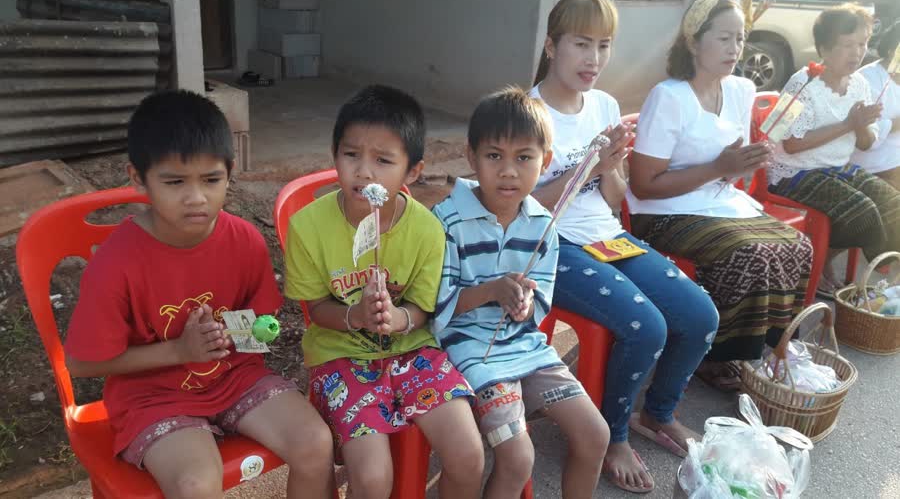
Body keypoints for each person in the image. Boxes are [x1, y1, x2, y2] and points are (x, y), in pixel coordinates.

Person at [63, 90, 334, 499]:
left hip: (236, 378)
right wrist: (179, 351)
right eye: (175, 182)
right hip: (153, 397)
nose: (196, 198)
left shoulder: (244, 240)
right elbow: (81, 363)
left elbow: (253, 328)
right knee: (195, 485)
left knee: (315, 442)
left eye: (211, 180)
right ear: (138, 177)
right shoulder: (117, 262)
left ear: (230, 172)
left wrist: (247, 333)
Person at [529, 0, 719, 493]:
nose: (593, 59)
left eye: (604, 46)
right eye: (581, 44)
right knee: (647, 326)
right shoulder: (528, 111)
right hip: (553, 245)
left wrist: (610, 167)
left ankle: (656, 414)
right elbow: (523, 208)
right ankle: (613, 436)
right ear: (552, 46)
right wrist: (584, 167)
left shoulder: (606, 106)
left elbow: (614, 200)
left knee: (701, 315)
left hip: (608, 237)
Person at [283, 85, 484, 499]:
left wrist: (400, 319)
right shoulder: (307, 227)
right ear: (334, 155)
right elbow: (317, 307)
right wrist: (354, 316)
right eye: (351, 154)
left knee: (468, 454)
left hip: (414, 349)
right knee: (373, 479)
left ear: (412, 171)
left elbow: (425, 308)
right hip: (340, 355)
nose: (365, 172)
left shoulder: (428, 229)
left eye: (383, 160)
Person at [627, 0, 813, 392]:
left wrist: (745, 163)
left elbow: (732, 171)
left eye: (741, 39)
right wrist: (719, 168)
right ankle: (713, 354)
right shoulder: (670, 96)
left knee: (798, 245)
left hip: (718, 201)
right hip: (663, 210)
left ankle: (765, 347)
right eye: (724, 38)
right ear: (694, 42)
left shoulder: (742, 89)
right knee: (747, 252)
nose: (735, 48)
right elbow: (643, 185)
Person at [432, 87, 609, 499]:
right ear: (472, 157)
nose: (509, 171)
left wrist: (523, 303)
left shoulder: (544, 225)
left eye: (524, 158)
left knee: (595, 434)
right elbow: (434, 308)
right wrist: (492, 290)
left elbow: (538, 306)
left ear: (545, 161)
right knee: (518, 457)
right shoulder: (447, 221)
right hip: (469, 352)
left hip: (527, 347)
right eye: (494, 156)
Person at [768, 4, 900, 296]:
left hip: (837, 168)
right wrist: (847, 123)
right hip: (795, 172)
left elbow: (864, 143)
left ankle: (857, 271)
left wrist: (863, 123)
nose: (857, 52)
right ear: (824, 48)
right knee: (863, 214)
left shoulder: (861, 84)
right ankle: (875, 281)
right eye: (847, 44)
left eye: (863, 44)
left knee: (893, 204)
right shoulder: (802, 82)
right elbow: (789, 143)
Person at [851, 20, 900, 190]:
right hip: (876, 165)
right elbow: (865, 141)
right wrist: (896, 123)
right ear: (892, 51)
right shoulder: (867, 79)